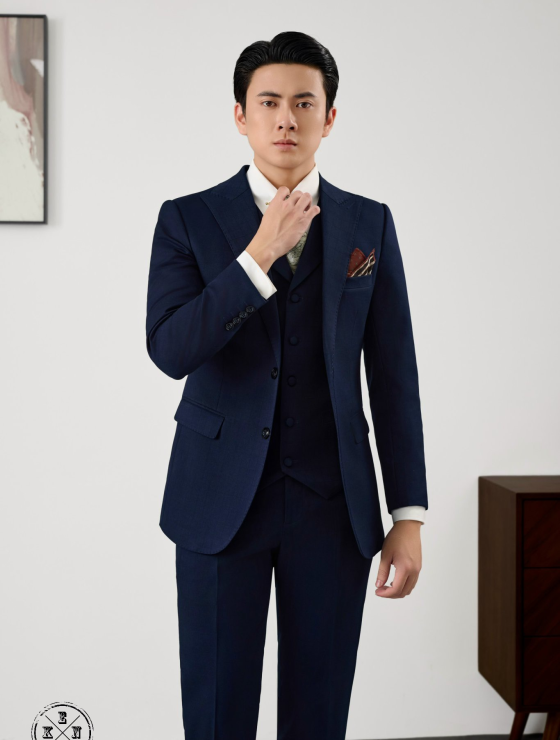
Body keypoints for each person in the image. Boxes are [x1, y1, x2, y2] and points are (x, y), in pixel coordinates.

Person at [145, 30, 428, 740]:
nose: (286, 119)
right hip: (217, 501)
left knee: (319, 718)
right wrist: (257, 256)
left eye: (304, 103)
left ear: (329, 118)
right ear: (240, 115)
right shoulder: (186, 219)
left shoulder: (369, 222)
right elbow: (171, 349)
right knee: (218, 717)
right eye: (268, 102)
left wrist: (408, 514)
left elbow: (394, 372)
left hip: (331, 505)